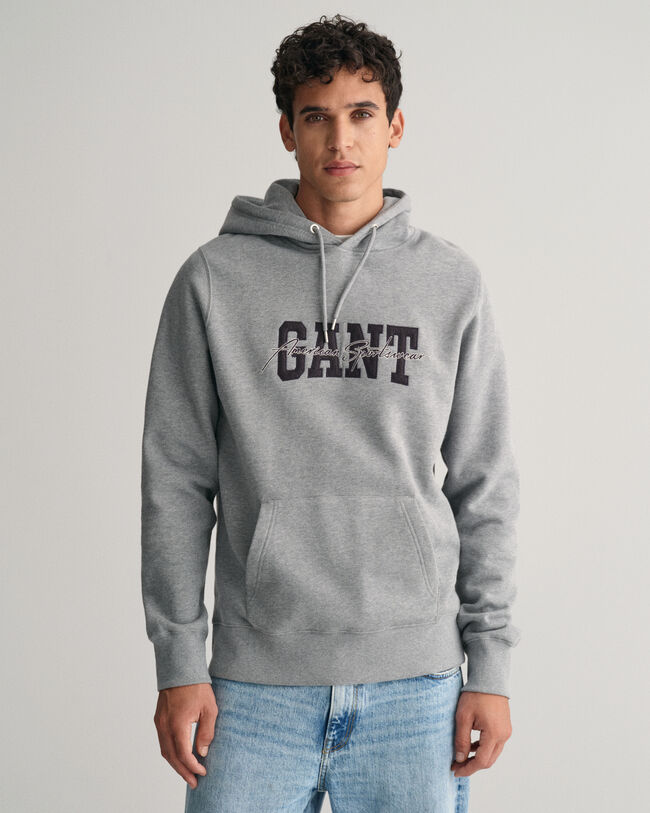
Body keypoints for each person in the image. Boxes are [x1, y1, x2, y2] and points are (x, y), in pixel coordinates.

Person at [140, 13, 521, 813]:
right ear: (287, 130)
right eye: (316, 116)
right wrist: (179, 660)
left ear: (395, 126)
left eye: (361, 113)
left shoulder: (451, 284)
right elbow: (175, 479)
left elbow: (484, 481)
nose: (340, 138)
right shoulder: (213, 280)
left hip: (416, 686)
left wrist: (490, 665)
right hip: (251, 689)